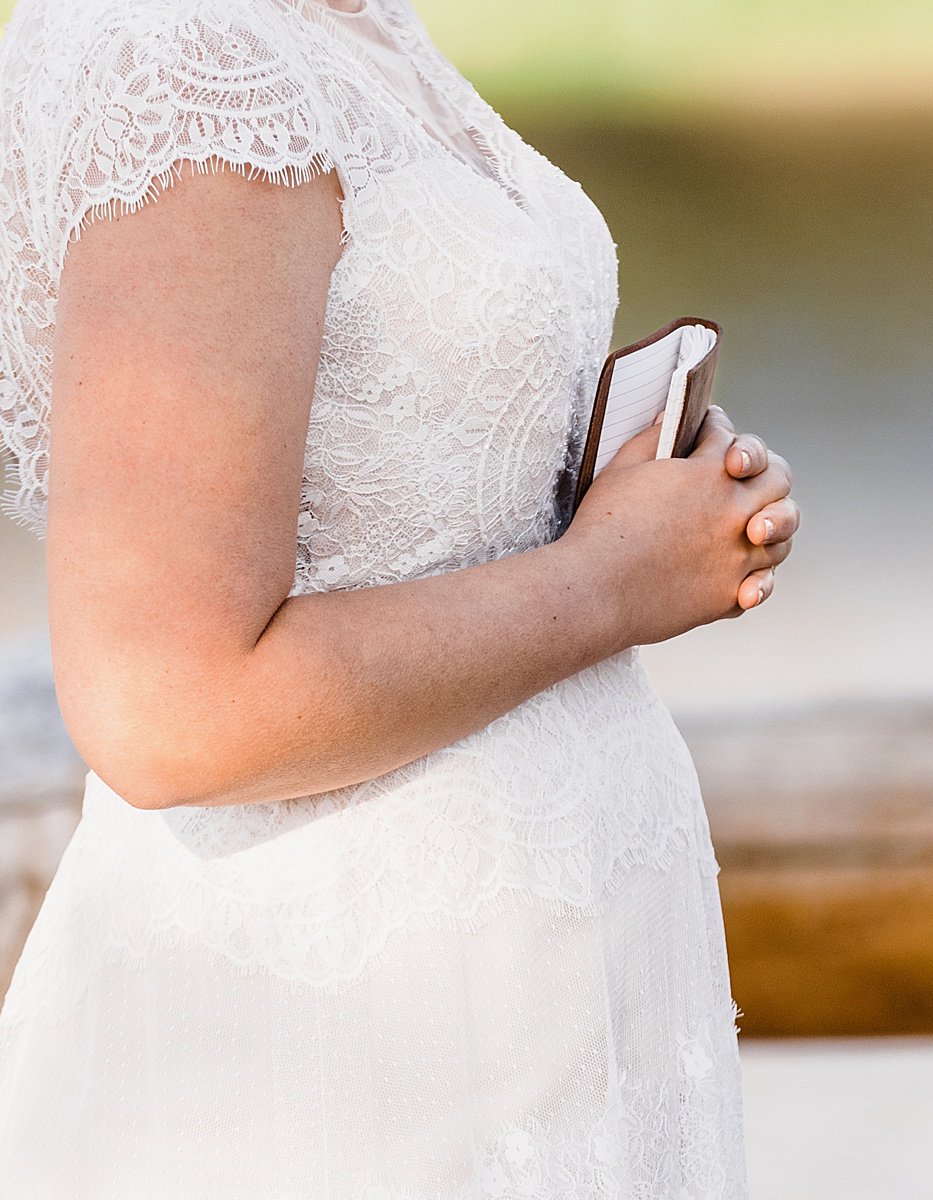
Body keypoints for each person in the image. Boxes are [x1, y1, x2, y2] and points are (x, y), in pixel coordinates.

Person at [0, 0, 794, 1195]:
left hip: (537, 1009)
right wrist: (604, 582)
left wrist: (657, 501)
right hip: (350, 1049)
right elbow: (166, 703)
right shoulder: (187, 60)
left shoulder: (353, 23)